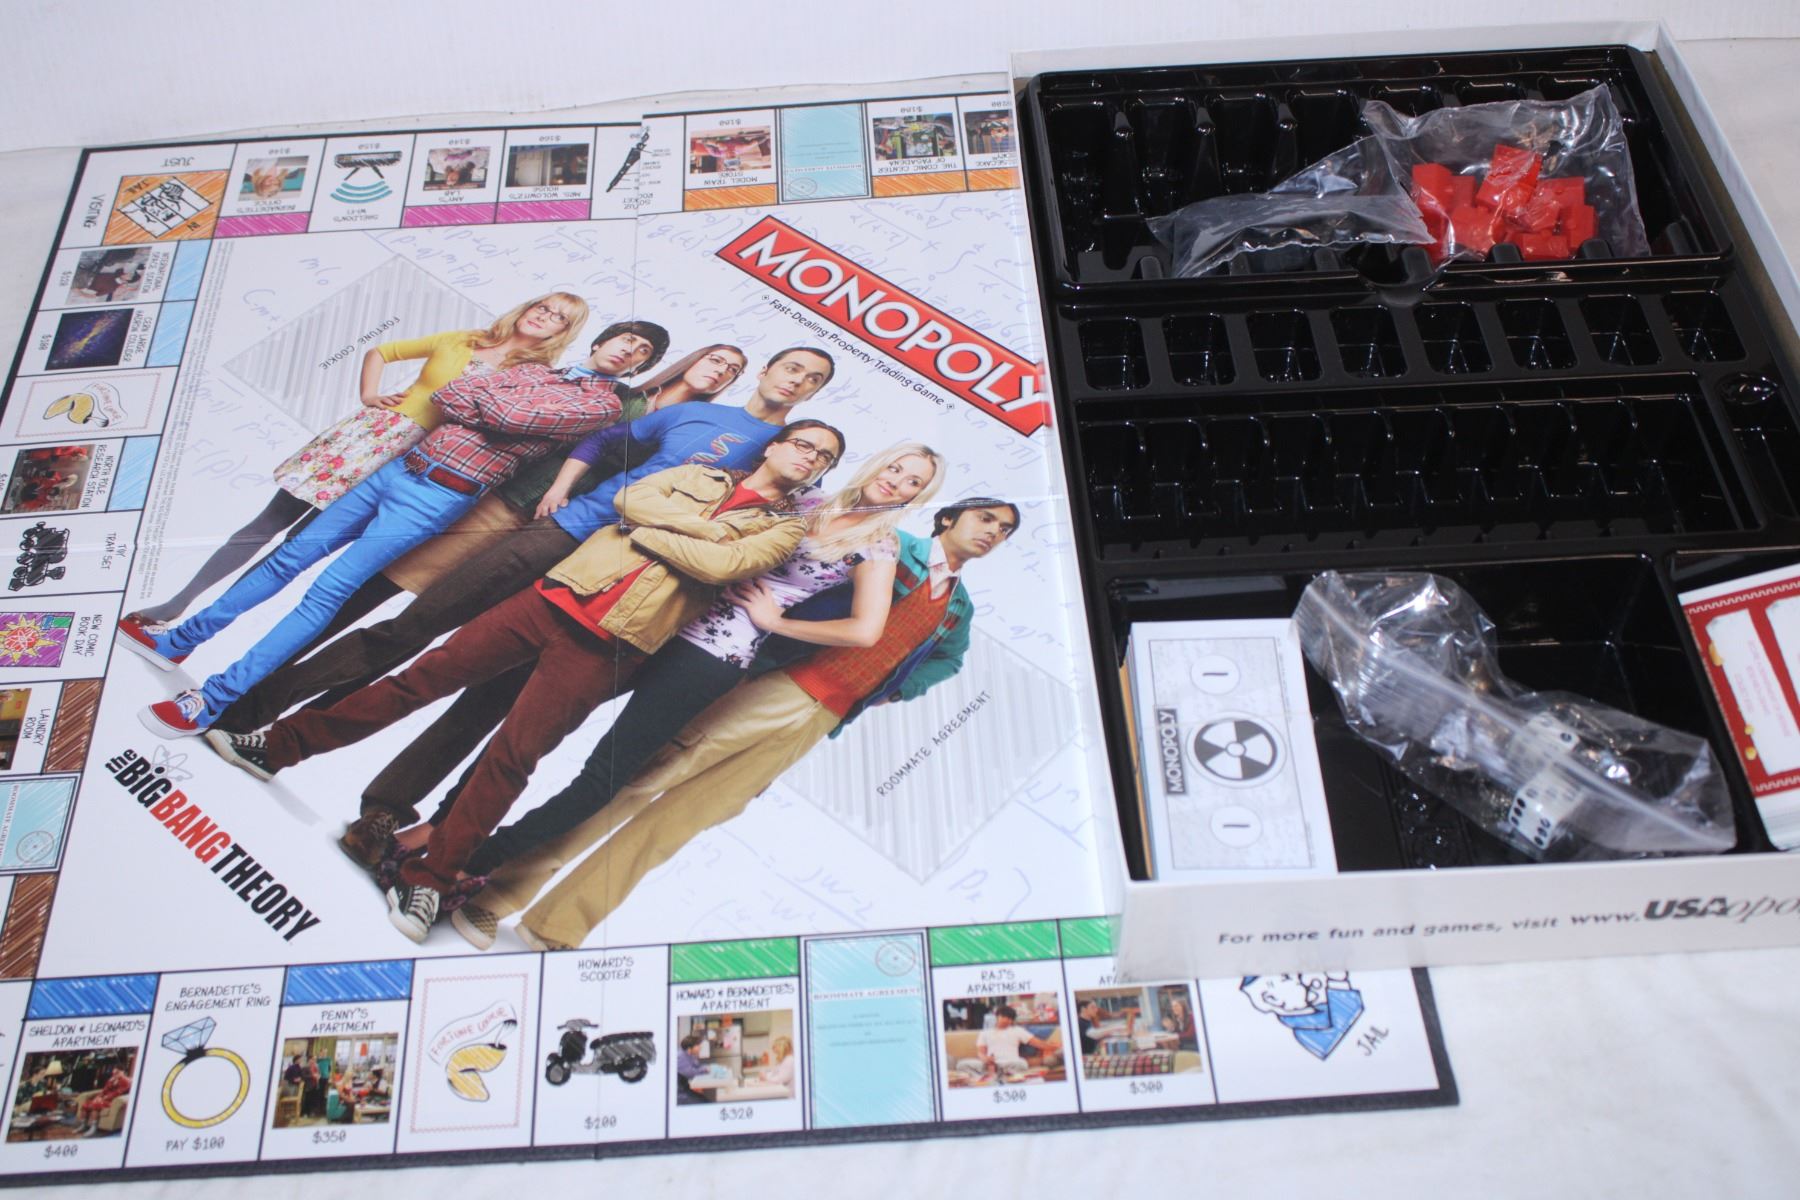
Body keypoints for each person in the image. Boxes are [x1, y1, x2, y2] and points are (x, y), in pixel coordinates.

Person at [208, 346, 836, 868]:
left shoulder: (791, 465)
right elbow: (609, 443)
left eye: (811, 379)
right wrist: (563, 488)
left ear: (813, 399)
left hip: (616, 584)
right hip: (565, 532)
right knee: (415, 630)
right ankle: (256, 713)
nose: (796, 381)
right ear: (766, 370)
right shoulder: (698, 415)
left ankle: (384, 813)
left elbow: (743, 544)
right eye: (792, 367)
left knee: (488, 702)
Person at [455, 496, 1019, 951]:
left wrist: (891, 692)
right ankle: (495, 896)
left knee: (681, 823)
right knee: (641, 781)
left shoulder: (958, 607)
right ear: (949, 518)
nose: (993, 532)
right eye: (986, 518)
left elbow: (950, 661)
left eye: (1004, 530)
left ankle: (555, 927)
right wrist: (773, 622)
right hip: (771, 683)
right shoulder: (889, 545)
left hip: (821, 719)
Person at [124, 317, 633, 737]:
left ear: (639, 366)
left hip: (440, 495)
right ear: (601, 340)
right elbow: (451, 396)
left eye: (641, 351)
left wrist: (489, 400)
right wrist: (491, 402)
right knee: (287, 558)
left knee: (326, 593)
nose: (629, 350)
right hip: (396, 467)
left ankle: (215, 697)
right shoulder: (535, 370)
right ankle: (182, 639)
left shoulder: (601, 405)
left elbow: (510, 418)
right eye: (626, 338)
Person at [123, 295, 608, 628]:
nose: (545, 317)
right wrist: (371, 395)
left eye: (558, 318)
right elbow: (382, 350)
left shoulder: (538, 374)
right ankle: (178, 603)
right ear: (526, 308)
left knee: (300, 544)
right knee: (267, 523)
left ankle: (208, 621)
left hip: (414, 462)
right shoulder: (465, 339)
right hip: (367, 437)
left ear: (564, 332)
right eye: (543, 307)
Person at [975, 1007, 1055, 1079]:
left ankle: (1000, 1074)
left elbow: (1038, 1043)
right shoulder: (985, 1033)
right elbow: (981, 1053)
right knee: (969, 1064)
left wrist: (1055, 1047)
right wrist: (985, 1058)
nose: (1006, 1020)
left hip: (1013, 1063)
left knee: (1022, 1063)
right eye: (1003, 1017)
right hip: (993, 1064)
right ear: (997, 1016)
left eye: (1010, 1019)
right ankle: (1000, 1073)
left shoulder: (1017, 1030)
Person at [75, 1064, 130, 1136]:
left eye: (117, 1073)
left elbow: (117, 1093)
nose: (114, 1074)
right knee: (85, 1105)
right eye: (114, 1073)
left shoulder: (125, 1081)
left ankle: (93, 1128)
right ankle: (83, 1125)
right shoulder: (112, 1079)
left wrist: (104, 1098)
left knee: (95, 1106)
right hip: (104, 1099)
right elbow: (104, 1090)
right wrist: (98, 1097)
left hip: (112, 1101)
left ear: (122, 1072)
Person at [674, 1033, 711, 1104]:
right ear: (689, 1047)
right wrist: (705, 1069)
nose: (700, 1047)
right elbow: (691, 1073)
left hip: (685, 1088)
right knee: (704, 1103)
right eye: (698, 1045)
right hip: (679, 1093)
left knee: (706, 1100)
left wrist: (706, 1067)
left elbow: (697, 1066)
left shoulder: (690, 1055)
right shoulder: (680, 1056)